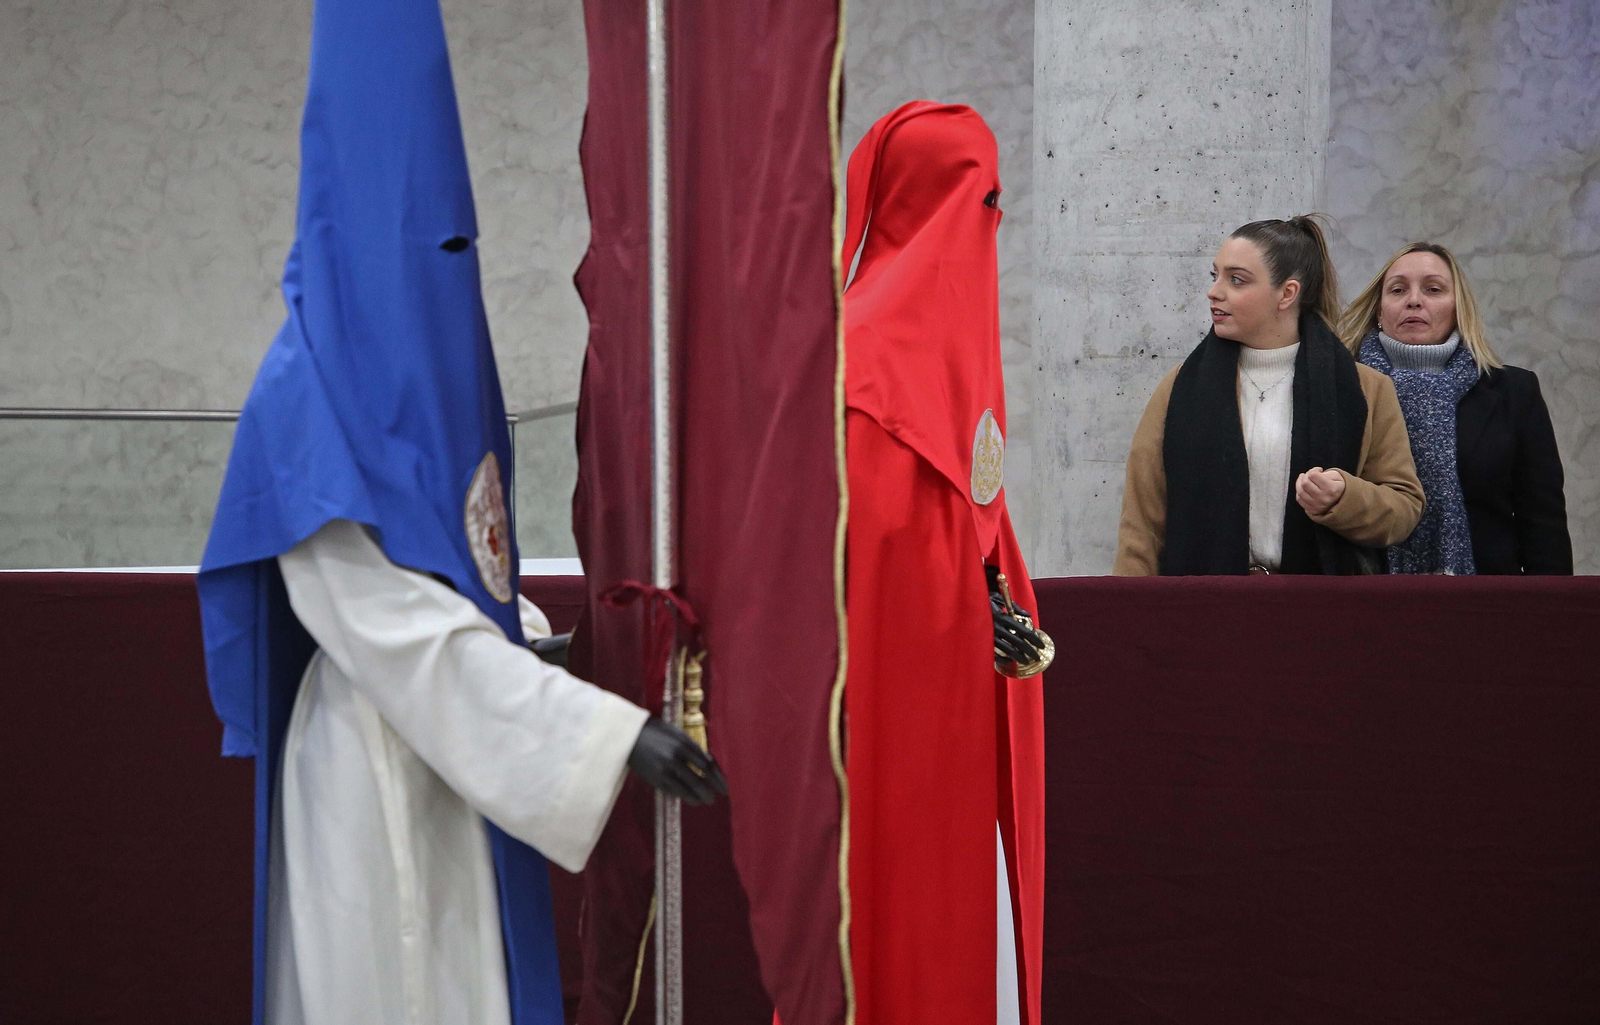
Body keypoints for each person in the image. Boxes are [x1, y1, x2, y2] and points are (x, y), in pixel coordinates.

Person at [195, 3, 723, 1023]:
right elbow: (386, 623)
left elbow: (456, 574)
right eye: (423, 238)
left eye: (454, 238)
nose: (445, 261)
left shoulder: (433, 366)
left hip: (462, 748)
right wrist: (606, 735)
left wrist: (539, 642)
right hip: (369, 768)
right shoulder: (301, 398)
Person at [837, 101, 1049, 1025]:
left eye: (993, 199)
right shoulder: (866, 353)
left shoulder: (947, 334)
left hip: (964, 685)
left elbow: (974, 505)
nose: (986, 223)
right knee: (902, 906)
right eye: (975, 196)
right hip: (902, 699)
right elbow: (872, 556)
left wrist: (993, 590)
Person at [1115, 216, 1425, 575]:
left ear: (1287, 293)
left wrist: (1344, 498)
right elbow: (1142, 525)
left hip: (1320, 613)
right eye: (1214, 276)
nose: (1214, 291)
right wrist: (1131, 612)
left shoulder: (1366, 389)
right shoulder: (1179, 388)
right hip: (1203, 611)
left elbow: (1404, 507)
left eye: (1237, 280)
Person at [1339, 242, 1573, 574]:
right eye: (1398, 289)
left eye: (1433, 289)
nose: (1414, 300)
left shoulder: (1514, 393)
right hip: (1364, 597)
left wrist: (1553, 614)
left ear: (1458, 307)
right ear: (1380, 310)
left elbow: (1542, 521)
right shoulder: (1340, 388)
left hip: (1486, 603)